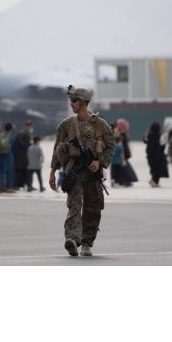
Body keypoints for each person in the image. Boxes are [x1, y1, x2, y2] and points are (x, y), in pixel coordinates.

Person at [49, 86, 114, 257]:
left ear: (84, 103)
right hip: (74, 172)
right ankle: (72, 239)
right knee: (74, 206)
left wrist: (99, 163)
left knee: (93, 208)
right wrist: (52, 172)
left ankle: (86, 242)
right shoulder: (66, 124)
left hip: (93, 175)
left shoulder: (100, 124)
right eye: (71, 100)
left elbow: (110, 147)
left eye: (75, 101)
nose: (71, 104)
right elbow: (57, 149)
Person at [143, 121, 169, 187]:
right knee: (159, 169)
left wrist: (146, 133)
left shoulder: (149, 135)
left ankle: (154, 181)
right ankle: (154, 181)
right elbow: (163, 145)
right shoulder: (160, 136)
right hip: (158, 155)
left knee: (153, 168)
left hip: (150, 155)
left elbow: (145, 141)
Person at [114, 118, 138, 185]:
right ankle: (125, 181)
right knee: (123, 168)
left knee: (122, 168)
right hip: (121, 154)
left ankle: (123, 180)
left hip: (121, 154)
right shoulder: (119, 134)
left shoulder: (120, 134)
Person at [12, 121, 33, 190]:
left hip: (21, 155)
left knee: (21, 170)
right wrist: (28, 145)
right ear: (29, 126)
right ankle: (24, 185)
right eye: (31, 126)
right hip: (22, 155)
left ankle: (22, 185)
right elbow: (21, 143)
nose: (32, 128)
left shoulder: (22, 132)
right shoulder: (24, 132)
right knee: (23, 170)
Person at [0, 122, 15, 193]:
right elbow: (13, 144)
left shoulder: (0, 135)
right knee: (9, 171)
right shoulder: (10, 136)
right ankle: (9, 187)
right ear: (11, 129)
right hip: (7, 154)